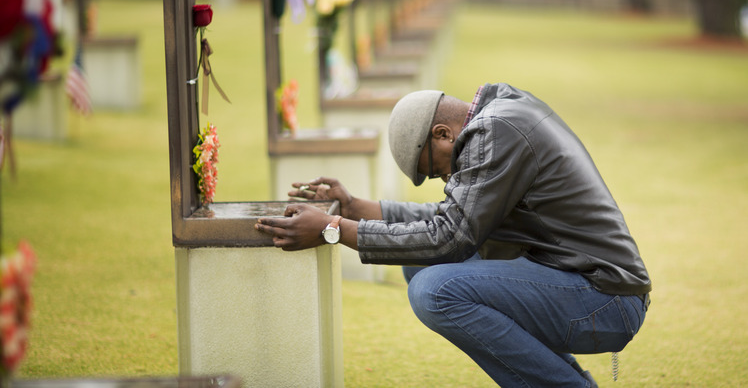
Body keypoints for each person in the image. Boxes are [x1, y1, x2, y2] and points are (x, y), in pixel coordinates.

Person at [255, 83, 652, 387]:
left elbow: (448, 236)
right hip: (581, 285)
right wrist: (354, 207)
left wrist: (331, 229)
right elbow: (454, 219)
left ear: (443, 134)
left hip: (605, 299)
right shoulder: (500, 117)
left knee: (434, 290)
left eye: (436, 170)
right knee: (418, 265)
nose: (445, 179)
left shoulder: (496, 132)